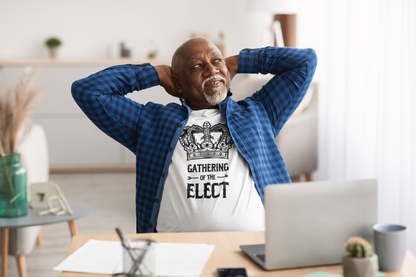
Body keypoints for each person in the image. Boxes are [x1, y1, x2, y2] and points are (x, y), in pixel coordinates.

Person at [71, 38, 317, 233]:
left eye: (216, 61)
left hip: (253, 248)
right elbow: (87, 91)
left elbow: (305, 62)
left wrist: (236, 63)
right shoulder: (150, 123)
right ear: (177, 84)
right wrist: (155, 74)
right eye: (197, 66)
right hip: (177, 253)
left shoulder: (258, 113)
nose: (211, 69)